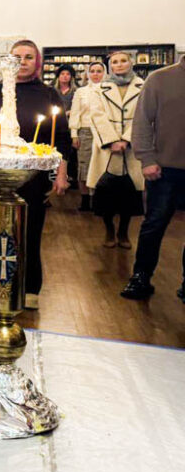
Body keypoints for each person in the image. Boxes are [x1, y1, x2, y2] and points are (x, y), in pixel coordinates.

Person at [0, 40, 71, 310]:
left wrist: (61, 173)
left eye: (29, 57)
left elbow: (61, 136)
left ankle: (30, 289)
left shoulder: (49, 94)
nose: (23, 61)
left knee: (30, 232)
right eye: (17, 57)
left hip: (33, 176)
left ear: (37, 62)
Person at [120, 53, 185, 301]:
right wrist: (146, 158)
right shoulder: (160, 79)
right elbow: (142, 121)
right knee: (154, 224)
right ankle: (141, 277)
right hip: (165, 168)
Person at [87, 52, 145, 249]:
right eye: (114, 62)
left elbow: (144, 116)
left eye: (123, 61)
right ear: (110, 65)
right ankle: (109, 229)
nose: (119, 65)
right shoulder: (99, 88)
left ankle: (124, 232)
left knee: (130, 193)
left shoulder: (142, 86)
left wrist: (127, 139)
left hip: (131, 148)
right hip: (107, 148)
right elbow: (96, 115)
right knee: (106, 193)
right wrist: (111, 140)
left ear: (131, 63)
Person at [69, 62, 106, 212]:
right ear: (88, 74)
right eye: (92, 71)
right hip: (85, 131)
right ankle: (85, 200)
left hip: (104, 132)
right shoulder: (81, 92)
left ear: (105, 73)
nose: (96, 74)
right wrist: (74, 134)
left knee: (101, 166)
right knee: (84, 166)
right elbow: (75, 113)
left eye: (99, 71)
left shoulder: (109, 90)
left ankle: (98, 199)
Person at [53, 63, 80, 188]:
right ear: (58, 76)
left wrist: (69, 112)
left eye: (67, 74)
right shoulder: (52, 90)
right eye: (62, 74)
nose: (65, 77)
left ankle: (70, 177)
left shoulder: (76, 91)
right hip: (55, 124)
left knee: (71, 152)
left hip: (71, 124)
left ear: (71, 77)